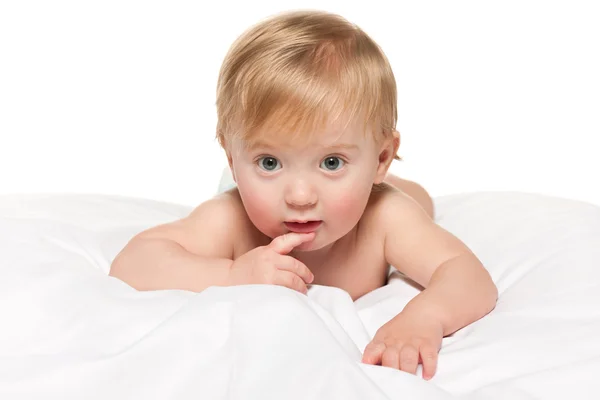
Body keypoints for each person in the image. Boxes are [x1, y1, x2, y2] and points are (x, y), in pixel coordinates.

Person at [109, 9, 497, 380]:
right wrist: (229, 274)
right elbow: (134, 260)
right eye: (269, 162)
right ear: (231, 156)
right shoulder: (232, 219)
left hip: (383, 195)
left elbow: (468, 275)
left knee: (414, 202)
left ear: (382, 157)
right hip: (243, 197)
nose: (298, 196)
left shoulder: (383, 218)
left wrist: (426, 316)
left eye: (331, 163)